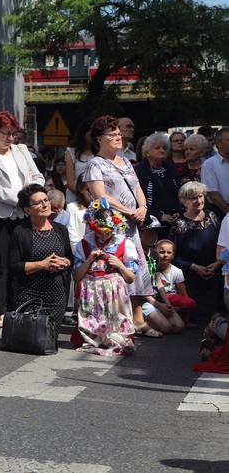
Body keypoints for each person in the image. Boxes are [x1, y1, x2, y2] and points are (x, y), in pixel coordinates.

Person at [83, 115, 155, 337]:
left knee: (134, 265)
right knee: (112, 269)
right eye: (112, 134)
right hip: (109, 226)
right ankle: (112, 319)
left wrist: (142, 207)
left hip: (132, 223)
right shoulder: (95, 164)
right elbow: (100, 196)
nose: (118, 137)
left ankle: (138, 318)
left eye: (118, 133)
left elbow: (138, 187)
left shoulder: (125, 161)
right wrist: (129, 211)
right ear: (99, 139)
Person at [0, 111, 45, 327]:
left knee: (21, 263)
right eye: (5, 134)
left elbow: (38, 174)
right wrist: (19, 199)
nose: (10, 138)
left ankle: (18, 307)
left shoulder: (22, 150)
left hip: (22, 213)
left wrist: (33, 194)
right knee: (0, 265)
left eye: (13, 134)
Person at [8, 184, 73, 345]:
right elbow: (14, 266)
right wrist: (42, 265)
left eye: (46, 200)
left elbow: (70, 259)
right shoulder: (20, 232)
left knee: (48, 343)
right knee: (29, 342)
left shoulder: (61, 230)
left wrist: (64, 263)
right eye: (38, 202)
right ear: (27, 210)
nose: (45, 205)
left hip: (56, 296)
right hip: (28, 295)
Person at [72, 200, 137, 356]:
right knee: (92, 323)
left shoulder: (123, 244)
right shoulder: (84, 244)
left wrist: (120, 265)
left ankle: (115, 337)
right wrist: (88, 260)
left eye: (108, 232)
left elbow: (130, 278)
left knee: (116, 322)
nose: (104, 235)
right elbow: (76, 277)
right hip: (91, 290)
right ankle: (93, 337)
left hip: (115, 292)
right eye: (100, 232)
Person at [168, 181, 223, 320]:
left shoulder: (212, 217)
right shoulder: (180, 224)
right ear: (184, 202)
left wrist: (216, 264)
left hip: (215, 276)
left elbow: (222, 244)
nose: (199, 201)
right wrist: (194, 267)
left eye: (200, 196)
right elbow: (172, 255)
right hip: (191, 282)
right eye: (194, 198)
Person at [134, 132, 182, 228]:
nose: (162, 150)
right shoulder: (139, 171)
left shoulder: (171, 169)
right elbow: (137, 199)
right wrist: (160, 215)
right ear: (147, 152)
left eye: (164, 148)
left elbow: (179, 193)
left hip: (173, 221)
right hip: (150, 223)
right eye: (157, 148)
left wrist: (177, 211)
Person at [154, 239, 196, 324]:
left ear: (173, 255)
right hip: (157, 297)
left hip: (172, 298)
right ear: (155, 253)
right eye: (162, 252)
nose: (165, 255)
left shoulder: (177, 271)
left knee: (191, 303)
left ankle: (172, 310)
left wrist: (187, 315)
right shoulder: (151, 267)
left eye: (169, 253)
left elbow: (183, 294)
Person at [65, 117, 96, 204]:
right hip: (75, 199)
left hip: (96, 199)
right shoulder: (71, 151)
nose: (93, 138)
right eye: (90, 134)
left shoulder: (101, 152)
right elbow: (70, 182)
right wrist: (84, 197)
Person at [201, 127, 229, 220]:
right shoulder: (209, 164)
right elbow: (213, 193)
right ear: (218, 143)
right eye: (228, 140)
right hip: (221, 211)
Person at [65, 174, 93, 250]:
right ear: (81, 190)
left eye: (94, 188)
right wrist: (78, 253)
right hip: (82, 252)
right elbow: (72, 233)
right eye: (88, 189)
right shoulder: (72, 207)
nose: (92, 192)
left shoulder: (103, 206)